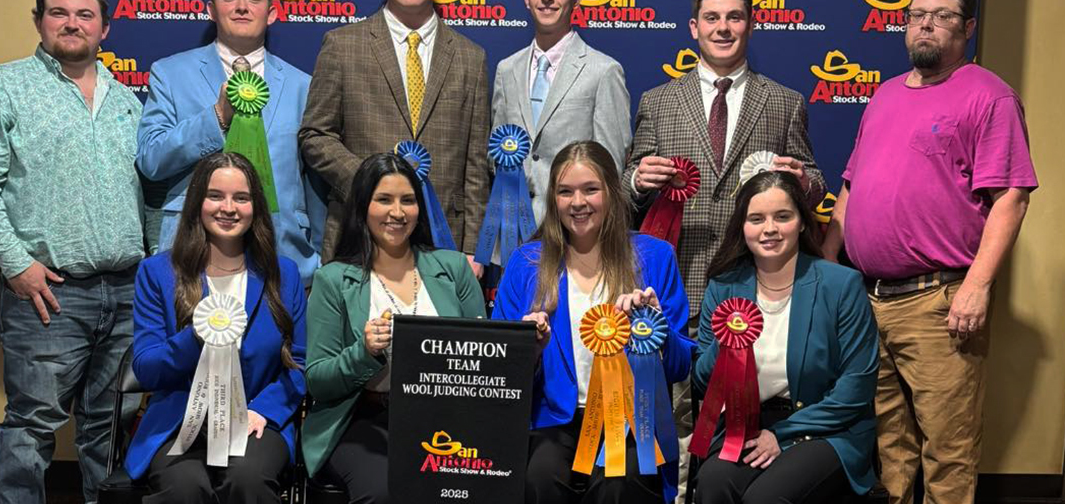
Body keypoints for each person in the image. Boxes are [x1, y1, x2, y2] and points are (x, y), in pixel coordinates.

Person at [822, 0, 1037, 504]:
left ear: (967, 27)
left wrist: (978, 287)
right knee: (888, 444)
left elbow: (1011, 197)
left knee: (948, 447)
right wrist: (828, 263)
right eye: (917, 14)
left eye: (941, 16)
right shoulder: (886, 94)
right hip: (868, 300)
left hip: (938, 302)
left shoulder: (990, 96)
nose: (925, 24)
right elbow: (851, 184)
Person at [622, 0, 825, 500]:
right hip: (673, 291)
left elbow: (812, 179)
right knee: (668, 433)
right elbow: (626, 189)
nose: (723, 28)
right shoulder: (658, 102)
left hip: (750, 299)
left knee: (728, 442)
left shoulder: (783, 103)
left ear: (751, 24)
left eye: (734, 17)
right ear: (693, 28)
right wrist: (637, 180)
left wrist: (803, 181)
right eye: (712, 18)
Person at [0, 0, 144, 503]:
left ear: (104, 27)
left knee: (111, 426)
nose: (72, 23)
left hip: (126, 292)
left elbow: (146, 190)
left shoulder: (128, 102)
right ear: (39, 21)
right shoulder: (0, 87)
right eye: (59, 13)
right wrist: (15, 262)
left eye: (85, 15)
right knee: (32, 424)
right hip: (48, 290)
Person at [493, 141, 693, 504]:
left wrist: (655, 327)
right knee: (540, 478)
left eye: (590, 189)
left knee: (617, 486)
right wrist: (528, 349)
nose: (578, 203)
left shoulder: (655, 257)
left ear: (612, 193)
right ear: (553, 199)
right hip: (553, 418)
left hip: (634, 423)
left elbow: (679, 367)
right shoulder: (525, 264)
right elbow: (499, 373)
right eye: (565, 192)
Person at [299, 0, 490, 276]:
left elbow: (476, 162)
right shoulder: (342, 45)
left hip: (443, 244)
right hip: (358, 235)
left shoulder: (470, 56)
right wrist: (372, 181)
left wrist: (473, 249)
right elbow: (315, 135)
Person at [302, 153, 487, 504]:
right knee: (388, 492)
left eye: (408, 200)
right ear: (362, 206)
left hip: (447, 421)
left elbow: (484, 356)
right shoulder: (333, 279)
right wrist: (364, 352)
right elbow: (319, 381)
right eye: (384, 199)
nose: (398, 213)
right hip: (363, 418)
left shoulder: (453, 269)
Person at [125, 152, 306, 502]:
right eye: (215, 196)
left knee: (248, 480)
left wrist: (264, 411)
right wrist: (196, 336)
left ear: (256, 207)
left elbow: (298, 365)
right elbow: (146, 368)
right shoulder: (157, 273)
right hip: (179, 421)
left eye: (241, 198)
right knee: (183, 488)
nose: (228, 208)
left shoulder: (284, 275)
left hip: (256, 417)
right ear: (196, 203)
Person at [137, 0, 326, 286]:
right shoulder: (169, 74)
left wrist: (322, 260)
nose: (241, 6)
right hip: (192, 256)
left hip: (284, 258)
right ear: (211, 10)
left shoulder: (303, 85)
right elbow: (151, 160)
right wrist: (216, 119)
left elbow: (315, 183)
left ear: (272, 13)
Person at [693, 171, 878, 503]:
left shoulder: (842, 285)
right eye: (756, 219)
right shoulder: (724, 286)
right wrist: (726, 338)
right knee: (713, 482)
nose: (769, 229)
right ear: (742, 227)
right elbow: (704, 380)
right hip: (745, 424)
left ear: (802, 223)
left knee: (765, 498)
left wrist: (780, 434)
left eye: (783, 216)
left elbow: (856, 389)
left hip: (826, 427)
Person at [492, 0, 631, 221]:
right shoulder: (506, 70)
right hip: (511, 233)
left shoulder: (604, 71)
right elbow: (495, 154)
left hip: (574, 228)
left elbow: (610, 167)